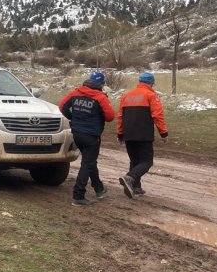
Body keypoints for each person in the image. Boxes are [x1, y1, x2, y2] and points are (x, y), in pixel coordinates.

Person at [59, 71, 115, 206]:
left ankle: (99, 188)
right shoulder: (100, 97)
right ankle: (78, 195)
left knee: (90, 162)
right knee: (87, 164)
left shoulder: (75, 93)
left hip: (77, 133)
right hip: (91, 136)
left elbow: (62, 106)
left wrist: (73, 118)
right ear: (101, 84)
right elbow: (110, 117)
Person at [117, 72, 168, 199]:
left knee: (134, 160)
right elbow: (158, 115)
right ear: (151, 83)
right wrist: (163, 133)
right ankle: (130, 177)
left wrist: (120, 133)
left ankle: (136, 187)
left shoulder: (126, 95)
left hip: (128, 133)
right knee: (146, 161)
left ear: (139, 82)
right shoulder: (151, 95)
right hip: (143, 134)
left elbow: (120, 116)